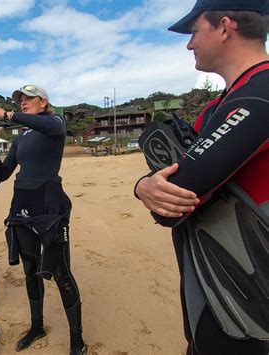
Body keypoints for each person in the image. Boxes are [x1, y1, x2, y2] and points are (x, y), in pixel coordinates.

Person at [135, 1, 268, 354]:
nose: (189, 44)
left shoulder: (262, 92)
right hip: (212, 293)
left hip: (249, 308)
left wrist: (154, 189)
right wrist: (142, 186)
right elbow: (164, 181)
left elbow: (171, 203)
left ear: (225, 27)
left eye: (194, 31)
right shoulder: (217, 107)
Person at [0, 85, 87, 355]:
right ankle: (37, 326)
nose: (23, 103)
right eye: (20, 100)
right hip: (22, 207)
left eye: (28, 98)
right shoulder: (21, 138)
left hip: (50, 206)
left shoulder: (55, 124)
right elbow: (3, 174)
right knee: (30, 271)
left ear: (43, 101)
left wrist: (6, 114)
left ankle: (77, 342)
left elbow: (43, 125)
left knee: (62, 274)